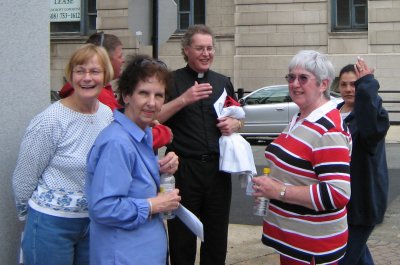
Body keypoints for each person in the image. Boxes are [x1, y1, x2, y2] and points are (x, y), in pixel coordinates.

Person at [12, 44, 114, 265]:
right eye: (80, 70)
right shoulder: (50, 120)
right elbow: (24, 177)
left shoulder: (107, 115)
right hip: (51, 225)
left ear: (106, 76)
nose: (87, 78)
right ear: (70, 75)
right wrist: (28, 219)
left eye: (95, 71)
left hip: (93, 223)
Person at [252, 50, 352, 265]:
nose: (295, 84)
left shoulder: (328, 130)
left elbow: (337, 194)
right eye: (291, 77)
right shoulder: (302, 116)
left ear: (323, 84)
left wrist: (278, 191)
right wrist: (270, 187)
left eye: (303, 78)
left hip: (312, 247)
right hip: (294, 241)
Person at [157, 24, 242, 265]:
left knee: (216, 240)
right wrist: (184, 99)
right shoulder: (171, 81)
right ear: (186, 50)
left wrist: (235, 124)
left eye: (210, 48)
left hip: (217, 170)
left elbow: (237, 115)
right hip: (183, 170)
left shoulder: (223, 82)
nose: (206, 53)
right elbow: (154, 118)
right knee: (182, 239)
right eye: (199, 48)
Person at [85, 54, 181, 265]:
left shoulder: (142, 134)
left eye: (159, 95)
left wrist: (159, 169)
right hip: (123, 255)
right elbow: (103, 207)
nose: (152, 103)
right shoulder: (117, 142)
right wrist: (154, 205)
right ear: (126, 95)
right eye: (143, 93)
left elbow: (130, 182)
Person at [59, 32, 172, 150]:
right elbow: (126, 140)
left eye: (159, 95)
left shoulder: (103, 110)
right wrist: (162, 133)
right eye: (120, 56)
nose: (122, 61)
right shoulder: (98, 98)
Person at [337, 59, 390, 265]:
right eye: (344, 84)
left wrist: (367, 83)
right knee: (359, 257)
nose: (349, 89)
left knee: (344, 258)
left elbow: (371, 131)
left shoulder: (373, 116)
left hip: (363, 202)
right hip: (340, 199)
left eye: (354, 84)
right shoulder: (334, 113)